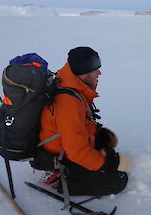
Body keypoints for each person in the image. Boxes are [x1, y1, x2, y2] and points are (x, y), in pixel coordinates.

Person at [39, 46, 132, 196]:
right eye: (94, 68)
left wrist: (96, 134)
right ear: (82, 72)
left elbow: (80, 122)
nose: (99, 73)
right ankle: (60, 181)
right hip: (60, 157)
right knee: (118, 180)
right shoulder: (68, 103)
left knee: (111, 148)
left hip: (68, 144)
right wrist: (106, 163)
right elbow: (77, 152)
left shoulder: (71, 83)